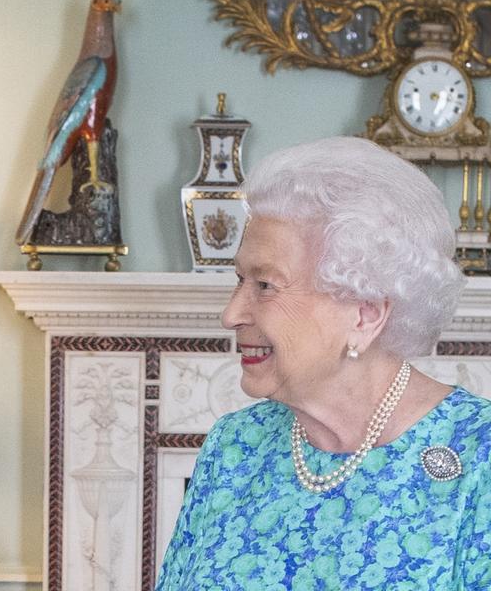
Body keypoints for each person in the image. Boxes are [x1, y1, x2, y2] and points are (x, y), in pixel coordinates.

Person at [156, 137, 491, 589]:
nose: (231, 314)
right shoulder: (234, 447)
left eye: (266, 285)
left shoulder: (478, 457)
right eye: (240, 279)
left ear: (365, 314)